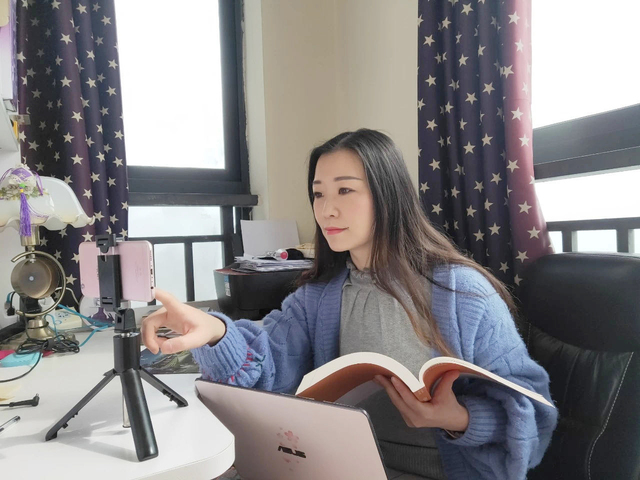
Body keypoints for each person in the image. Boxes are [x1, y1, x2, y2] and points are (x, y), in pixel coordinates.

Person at [142, 129, 558, 480]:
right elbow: (264, 364)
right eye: (318, 194)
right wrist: (215, 331)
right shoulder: (318, 296)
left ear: (387, 195)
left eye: (345, 190)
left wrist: (456, 419)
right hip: (337, 467)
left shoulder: (462, 294)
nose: (326, 209)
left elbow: (532, 415)